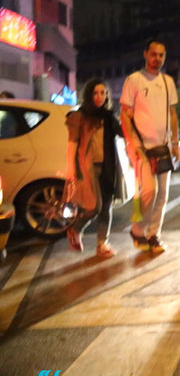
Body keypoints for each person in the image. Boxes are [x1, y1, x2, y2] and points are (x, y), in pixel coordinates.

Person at [120, 39, 179, 254]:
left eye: (161, 55)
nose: (157, 59)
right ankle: (138, 230)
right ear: (145, 54)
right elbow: (125, 115)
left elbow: (172, 114)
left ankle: (154, 234)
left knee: (162, 193)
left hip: (162, 147)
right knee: (149, 191)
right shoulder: (133, 80)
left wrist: (175, 142)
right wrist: (134, 143)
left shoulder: (167, 82)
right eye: (153, 54)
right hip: (141, 148)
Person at [64, 79, 123, 259]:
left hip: (107, 168)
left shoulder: (109, 117)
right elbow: (73, 144)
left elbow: (124, 134)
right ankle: (75, 229)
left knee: (106, 206)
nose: (100, 97)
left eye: (103, 93)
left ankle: (102, 244)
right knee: (94, 207)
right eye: (96, 93)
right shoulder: (80, 116)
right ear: (89, 95)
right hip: (87, 168)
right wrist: (71, 169)